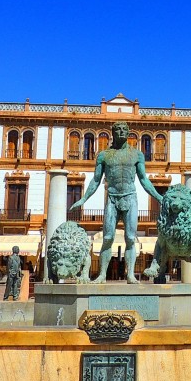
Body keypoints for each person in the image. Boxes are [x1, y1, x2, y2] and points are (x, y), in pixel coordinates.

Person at [68, 121, 165, 284]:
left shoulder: (137, 155)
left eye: (123, 129)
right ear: (113, 133)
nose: (120, 131)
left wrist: (159, 197)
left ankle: (130, 275)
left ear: (128, 133)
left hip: (130, 197)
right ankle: (102, 275)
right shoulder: (104, 155)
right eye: (117, 129)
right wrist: (84, 199)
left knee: (130, 237)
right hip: (112, 198)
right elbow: (96, 180)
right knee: (107, 238)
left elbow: (143, 180)